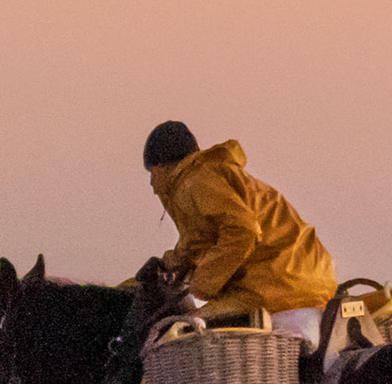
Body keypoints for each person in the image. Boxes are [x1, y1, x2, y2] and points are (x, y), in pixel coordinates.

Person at [140, 120, 337, 346]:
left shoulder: (195, 181)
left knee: (177, 336)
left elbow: (241, 230)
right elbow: (198, 243)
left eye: (151, 173)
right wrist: (172, 264)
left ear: (163, 167)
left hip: (277, 288)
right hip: (303, 279)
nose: (151, 183)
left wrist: (204, 283)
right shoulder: (208, 175)